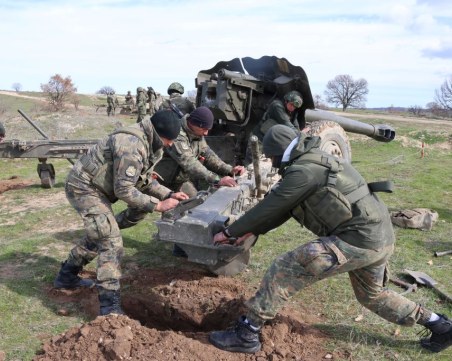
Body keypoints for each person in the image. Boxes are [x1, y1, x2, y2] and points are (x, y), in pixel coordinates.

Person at [209, 124, 452, 354]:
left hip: (358, 240)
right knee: (373, 295)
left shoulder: (303, 170)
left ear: (279, 152)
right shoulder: (315, 158)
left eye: (272, 158)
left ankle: (246, 334)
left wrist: (231, 232)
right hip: (379, 237)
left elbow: (272, 206)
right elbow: (284, 208)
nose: (272, 163)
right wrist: (253, 230)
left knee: (285, 267)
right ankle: (440, 325)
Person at [53, 110, 189, 316]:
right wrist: (157, 205)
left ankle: (67, 276)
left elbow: (142, 180)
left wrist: (169, 193)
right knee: (110, 241)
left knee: (102, 230)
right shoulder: (132, 145)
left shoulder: (147, 141)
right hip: (84, 187)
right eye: (168, 140)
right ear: (159, 133)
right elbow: (124, 189)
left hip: (97, 188)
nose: (170, 145)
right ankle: (110, 308)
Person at [154, 106, 245, 197]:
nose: (206, 133)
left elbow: (208, 155)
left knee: (194, 203)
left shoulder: (196, 133)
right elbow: (189, 162)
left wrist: (229, 170)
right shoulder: (177, 134)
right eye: (204, 129)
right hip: (162, 181)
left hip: (180, 181)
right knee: (162, 206)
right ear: (194, 124)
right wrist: (217, 180)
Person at [245, 90, 303, 165]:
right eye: (291, 104)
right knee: (251, 165)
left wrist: (300, 135)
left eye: (295, 107)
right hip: (259, 139)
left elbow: (296, 127)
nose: (292, 108)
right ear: (286, 101)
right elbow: (287, 124)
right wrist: (301, 136)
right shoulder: (277, 106)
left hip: (270, 142)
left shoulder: (292, 112)